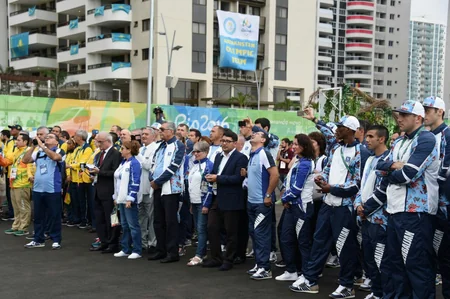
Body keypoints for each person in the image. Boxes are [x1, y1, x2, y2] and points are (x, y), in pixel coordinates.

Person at [291, 115, 369, 298]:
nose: (337, 130)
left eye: (340, 127)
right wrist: (322, 179)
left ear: (350, 130)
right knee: (319, 241)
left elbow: (357, 183)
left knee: (344, 246)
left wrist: (331, 188)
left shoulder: (361, 152)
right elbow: (328, 169)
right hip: (328, 203)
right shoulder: (336, 149)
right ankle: (310, 280)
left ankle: (347, 285)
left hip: (345, 206)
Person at [376, 100, 439, 298]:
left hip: (415, 214)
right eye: (398, 114)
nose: (399, 118)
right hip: (394, 212)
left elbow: (407, 175)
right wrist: (394, 166)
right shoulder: (399, 141)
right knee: (396, 265)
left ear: (418, 118)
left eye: (404, 115)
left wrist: (391, 170)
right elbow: (380, 165)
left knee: (416, 265)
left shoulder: (426, 139)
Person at [202, 129, 248, 271]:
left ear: (235, 143)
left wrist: (218, 178)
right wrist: (211, 177)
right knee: (212, 227)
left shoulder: (241, 158)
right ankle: (216, 257)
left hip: (232, 199)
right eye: (222, 141)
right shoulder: (218, 157)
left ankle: (229, 259)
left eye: (227, 141)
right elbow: (216, 174)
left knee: (231, 231)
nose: (224, 144)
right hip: (217, 196)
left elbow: (238, 178)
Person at [354, 125, 390, 299]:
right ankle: (376, 291)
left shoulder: (388, 159)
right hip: (366, 217)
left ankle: (383, 293)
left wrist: (366, 208)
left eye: (370, 136)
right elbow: (362, 185)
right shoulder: (369, 159)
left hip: (380, 219)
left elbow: (382, 191)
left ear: (381, 139)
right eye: (366, 136)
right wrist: (358, 205)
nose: (366, 140)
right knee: (369, 259)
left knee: (381, 260)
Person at [276, 134, 316, 282]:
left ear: (304, 146)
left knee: (303, 242)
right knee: (286, 238)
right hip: (292, 206)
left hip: (301, 207)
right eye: (293, 144)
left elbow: (297, 188)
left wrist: (284, 199)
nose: (293, 147)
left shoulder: (306, 163)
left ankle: (306, 275)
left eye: (296, 144)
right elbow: (288, 182)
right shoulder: (299, 161)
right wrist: (286, 199)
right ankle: (291, 270)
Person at [423, 96, 450, 297]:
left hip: (443, 206)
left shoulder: (447, 135)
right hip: (426, 205)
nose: (424, 115)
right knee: (428, 255)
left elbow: (446, 170)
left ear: (440, 111)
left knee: (444, 256)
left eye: (428, 110)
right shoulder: (425, 135)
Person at [244, 130, 279, 280]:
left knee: (261, 234)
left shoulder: (264, 153)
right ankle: (259, 264)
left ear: (263, 139)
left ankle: (265, 268)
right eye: (253, 133)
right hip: (251, 201)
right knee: (254, 233)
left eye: (257, 134)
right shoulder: (252, 154)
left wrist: (267, 195)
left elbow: (275, 174)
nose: (253, 134)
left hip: (261, 203)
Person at [148, 122, 185, 263]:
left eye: (162, 130)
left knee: (170, 221)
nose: (160, 131)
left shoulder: (178, 146)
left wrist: (158, 181)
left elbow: (174, 167)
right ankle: (161, 249)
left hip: (171, 189)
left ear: (171, 131)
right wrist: (152, 178)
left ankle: (172, 252)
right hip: (157, 188)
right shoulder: (160, 146)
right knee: (158, 221)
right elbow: (153, 164)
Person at [22, 132, 65, 249]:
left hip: (53, 189)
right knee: (38, 216)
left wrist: (43, 146)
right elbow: (25, 160)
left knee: (54, 215)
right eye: (46, 137)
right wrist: (33, 146)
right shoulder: (38, 152)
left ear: (57, 141)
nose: (47, 138)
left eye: (50, 137)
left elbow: (55, 158)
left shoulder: (59, 151)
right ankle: (38, 239)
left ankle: (56, 239)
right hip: (38, 188)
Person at [89, 132, 122, 253]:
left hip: (110, 191)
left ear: (108, 141)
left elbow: (116, 172)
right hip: (98, 190)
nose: (97, 144)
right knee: (99, 218)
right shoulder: (99, 154)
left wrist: (100, 172)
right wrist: (93, 173)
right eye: (97, 141)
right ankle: (104, 241)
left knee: (111, 219)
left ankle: (113, 243)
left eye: (100, 142)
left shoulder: (116, 154)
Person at [112, 140, 142, 259]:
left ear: (129, 150)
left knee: (133, 225)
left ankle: (137, 249)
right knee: (124, 225)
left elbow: (135, 181)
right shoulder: (124, 163)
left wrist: (130, 198)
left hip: (128, 199)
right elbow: (118, 181)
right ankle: (126, 248)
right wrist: (116, 196)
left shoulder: (134, 163)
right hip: (121, 198)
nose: (121, 150)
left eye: (123, 148)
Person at [0, 133, 34, 236]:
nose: (16, 142)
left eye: (19, 140)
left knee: (23, 207)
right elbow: (7, 162)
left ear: (25, 141)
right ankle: (16, 226)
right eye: (16, 140)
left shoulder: (29, 151)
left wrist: (30, 176)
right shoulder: (16, 151)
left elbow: (31, 166)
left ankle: (23, 228)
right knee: (16, 207)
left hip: (23, 183)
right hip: (14, 183)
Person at [186, 141, 214, 266]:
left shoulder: (208, 165)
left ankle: (200, 255)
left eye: (198, 151)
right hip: (195, 201)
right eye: (194, 151)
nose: (195, 154)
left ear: (206, 152)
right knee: (198, 229)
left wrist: (206, 204)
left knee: (201, 229)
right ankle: (202, 252)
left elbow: (210, 187)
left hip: (202, 201)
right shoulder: (195, 165)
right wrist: (192, 203)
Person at [137, 127, 159, 253]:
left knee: (151, 217)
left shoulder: (155, 148)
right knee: (141, 217)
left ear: (153, 136)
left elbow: (149, 165)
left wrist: (138, 156)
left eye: (146, 134)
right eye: (142, 134)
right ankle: (142, 242)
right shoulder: (140, 149)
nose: (143, 136)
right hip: (140, 188)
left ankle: (153, 243)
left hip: (149, 188)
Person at [70, 130, 94, 228]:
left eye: (75, 136)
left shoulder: (87, 149)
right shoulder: (77, 149)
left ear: (80, 137)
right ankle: (78, 219)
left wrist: (71, 166)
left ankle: (85, 220)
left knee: (83, 201)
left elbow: (82, 163)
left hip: (82, 179)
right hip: (74, 178)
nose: (74, 137)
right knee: (76, 200)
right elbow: (72, 160)